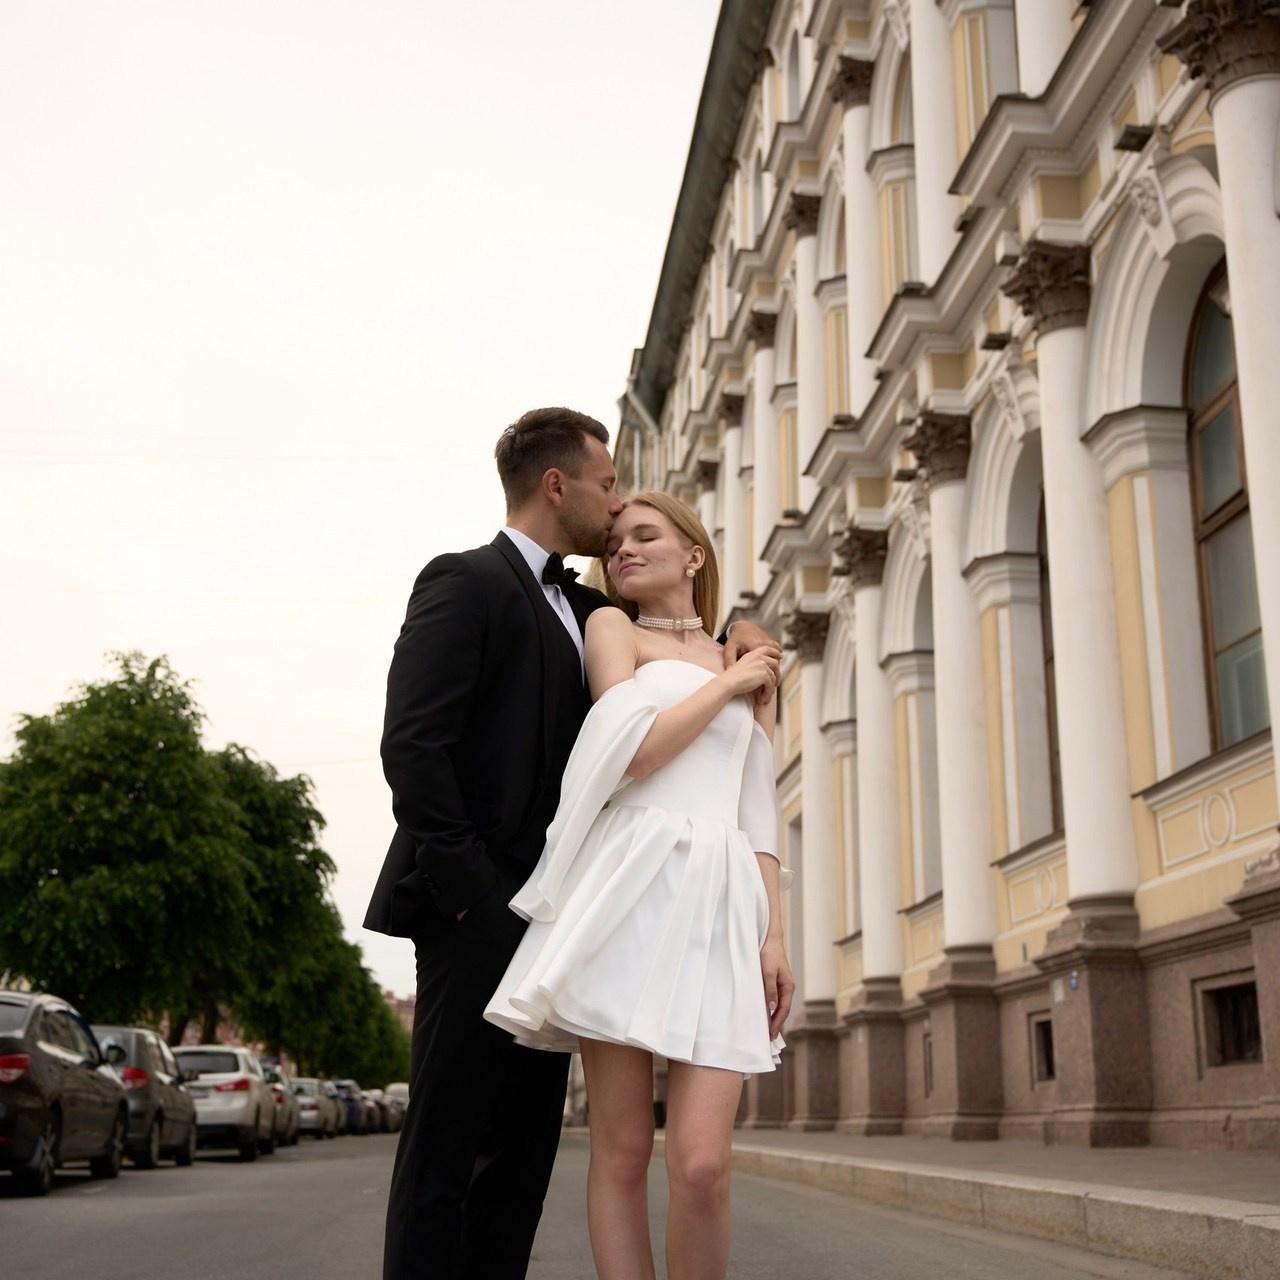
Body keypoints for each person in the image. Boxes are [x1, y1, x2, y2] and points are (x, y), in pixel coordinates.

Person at [364, 409, 781, 1280]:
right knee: (445, 1151)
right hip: (478, 909)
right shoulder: (465, 581)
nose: (616, 501)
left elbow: (684, 633)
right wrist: (473, 894)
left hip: (572, 915)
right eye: (606, 485)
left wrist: (742, 636)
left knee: (521, 1159)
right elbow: (414, 746)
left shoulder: (591, 605)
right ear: (559, 485)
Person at [484, 491, 795, 1280]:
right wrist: (725, 685)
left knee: (699, 1165)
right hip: (626, 891)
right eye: (615, 542)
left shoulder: (743, 652)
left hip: (722, 898)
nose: (622, 550)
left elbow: (757, 801)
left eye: (645, 536)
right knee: (622, 1151)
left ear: (694, 553)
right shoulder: (611, 629)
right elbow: (630, 755)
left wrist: (775, 935)